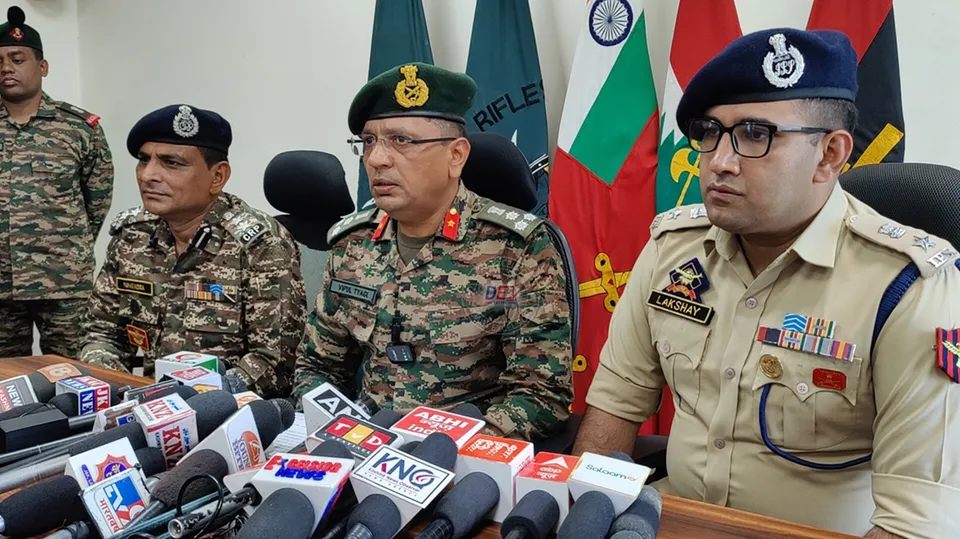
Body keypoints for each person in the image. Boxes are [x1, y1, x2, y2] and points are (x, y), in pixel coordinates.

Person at [573, 28, 959, 539]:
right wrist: (583, 518)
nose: (719, 161)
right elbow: (615, 411)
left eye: (756, 134)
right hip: (670, 521)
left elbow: (914, 525)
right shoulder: (673, 248)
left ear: (829, 154)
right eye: (710, 132)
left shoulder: (907, 287)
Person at [292, 62, 573, 441]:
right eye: (369, 141)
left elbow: (542, 393)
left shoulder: (516, 248)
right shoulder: (351, 243)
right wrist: (340, 430)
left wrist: (442, 448)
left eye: (401, 141)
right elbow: (317, 366)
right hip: (362, 446)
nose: (376, 159)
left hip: (466, 461)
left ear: (456, 155)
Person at [79, 104, 306, 399]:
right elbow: (101, 331)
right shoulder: (133, 234)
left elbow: (273, 363)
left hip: (226, 411)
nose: (148, 175)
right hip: (145, 403)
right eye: (143, 160)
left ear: (217, 177)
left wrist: (195, 398)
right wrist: (114, 386)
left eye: (171, 163)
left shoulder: (261, 245)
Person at [0, 6, 114, 358]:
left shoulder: (79, 129)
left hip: (64, 284)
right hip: (0, 288)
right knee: (5, 382)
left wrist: (66, 249)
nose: (6, 68)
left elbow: (97, 202)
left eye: (17, 59)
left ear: (42, 67)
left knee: (73, 376)